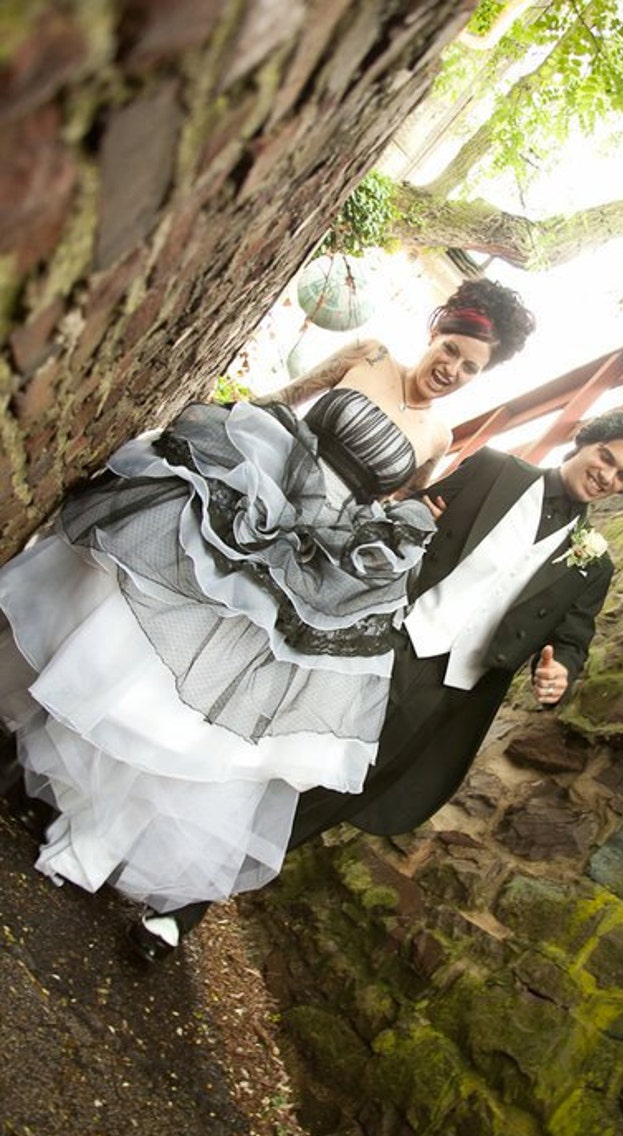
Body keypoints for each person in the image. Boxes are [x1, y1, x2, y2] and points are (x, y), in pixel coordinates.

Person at [0, 277, 534, 954]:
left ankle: (88, 820)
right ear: (435, 333)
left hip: (310, 558)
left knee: (206, 697)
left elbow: (391, 508)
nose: (452, 370)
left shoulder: (440, 433)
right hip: (258, 492)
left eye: (470, 368)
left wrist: (397, 529)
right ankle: (38, 754)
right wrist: (214, 436)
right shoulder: (366, 354)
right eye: (452, 349)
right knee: (142, 630)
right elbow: (286, 400)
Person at [152, 410, 623, 958]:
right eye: (606, 458)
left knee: (329, 799)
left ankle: (186, 907)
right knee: (277, 753)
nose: (607, 476)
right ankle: (157, 846)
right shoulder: (494, 470)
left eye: (622, 476)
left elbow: (574, 637)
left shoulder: (594, 564)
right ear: (584, 443)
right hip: (382, 642)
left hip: (449, 692)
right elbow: (409, 519)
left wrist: (562, 667)